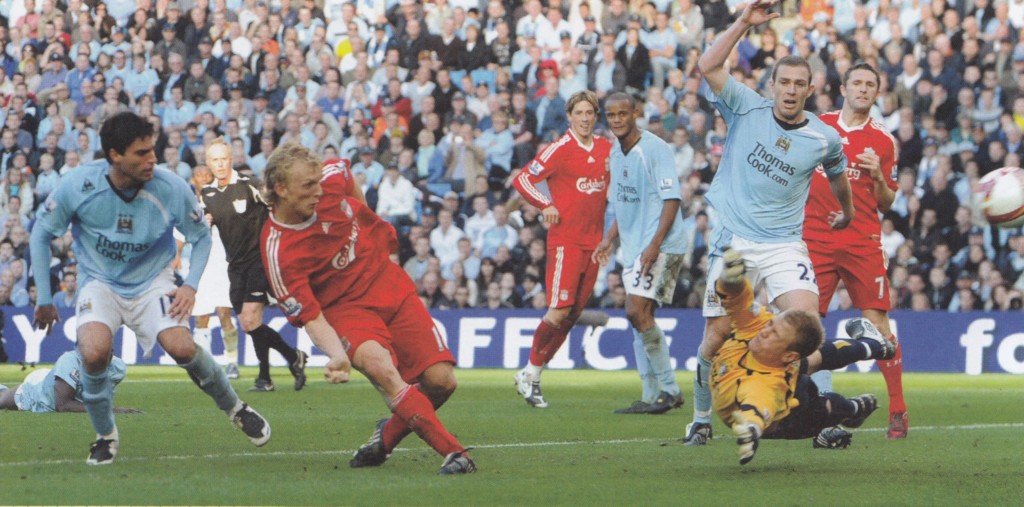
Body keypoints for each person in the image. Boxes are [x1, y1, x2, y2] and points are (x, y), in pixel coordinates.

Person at [29, 112, 270, 466]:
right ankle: (105, 435)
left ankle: (235, 407)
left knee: (183, 347)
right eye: (141, 153)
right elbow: (40, 234)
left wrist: (189, 285)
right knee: (94, 352)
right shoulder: (79, 185)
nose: (152, 159)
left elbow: (200, 237)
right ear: (114, 155)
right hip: (100, 283)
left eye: (152, 150)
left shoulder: (170, 187)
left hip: (152, 282)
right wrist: (46, 299)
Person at [684, 0, 855, 445]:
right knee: (715, 338)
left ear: (811, 88)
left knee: (807, 328)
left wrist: (849, 212)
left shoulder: (823, 137)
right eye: (785, 82)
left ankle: (823, 420)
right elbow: (708, 64)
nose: (792, 90)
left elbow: (838, 174)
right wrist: (743, 21)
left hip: (783, 244)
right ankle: (701, 420)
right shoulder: (746, 106)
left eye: (800, 83)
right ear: (772, 84)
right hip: (734, 242)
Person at [260, 144, 475, 475]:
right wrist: (338, 355)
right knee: (381, 368)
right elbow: (312, 316)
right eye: (308, 186)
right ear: (281, 189)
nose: (318, 192)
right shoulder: (278, 251)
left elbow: (346, 177)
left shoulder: (330, 179)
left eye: (318, 182)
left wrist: (366, 219)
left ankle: (384, 438)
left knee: (441, 381)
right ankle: (455, 453)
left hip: (387, 283)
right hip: (346, 310)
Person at [712, 248, 895, 464]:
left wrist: (750, 430)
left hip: (790, 418)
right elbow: (737, 299)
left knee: (823, 407)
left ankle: (852, 409)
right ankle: (872, 349)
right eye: (771, 324)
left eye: (774, 334)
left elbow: (757, 406)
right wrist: (730, 279)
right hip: (780, 385)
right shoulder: (756, 326)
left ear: (789, 355)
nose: (764, 331)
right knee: (814, 359)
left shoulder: (766, 384)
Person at [805, 62, 907, 440]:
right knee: (808, 327)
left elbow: (887, 203)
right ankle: (820, 410)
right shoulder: (817, 126)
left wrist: (878, 176)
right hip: (815, 239)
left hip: (862, 241)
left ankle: (897, 408)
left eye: (870, 85)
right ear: (843, 88)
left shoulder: (883, 140)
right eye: (857, 83)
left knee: (879, 328)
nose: (863, 90)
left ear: (877, 93)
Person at [510, 90, 612, 408]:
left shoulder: (608, 149)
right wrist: (545, 204)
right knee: (558, 311)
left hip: (594, 244)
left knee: (572, 315)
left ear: (596, 116)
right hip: (566, 242)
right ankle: (529, 373)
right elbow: (523, 179)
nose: (584, 118)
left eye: (589, 112)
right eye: (579, 113)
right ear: (569, 116)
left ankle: (532, 375)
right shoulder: (560, 149)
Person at [595, 92, 688, 415]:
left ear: (636, 112)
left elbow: (671, 198)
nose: (617, 120)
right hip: (635, 246)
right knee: (639, 318)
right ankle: (650, 395)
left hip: (662, 244)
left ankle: (671, 390)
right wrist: (609, 239)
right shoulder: (615, 152)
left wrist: (654, 246)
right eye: (611, 115)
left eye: (623, 113)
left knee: (636, 311)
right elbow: (624, 202)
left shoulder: (655, 148)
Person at [201, 138, 307, 392]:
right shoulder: (208, 193)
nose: (221, 164)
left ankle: (270, 373)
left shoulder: (249, 185)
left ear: (231, 159)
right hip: (234, 266)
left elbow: (277, 203)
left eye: (224, 159)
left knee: (250, 319)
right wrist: (207, 221)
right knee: (251, 323)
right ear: (209, 163)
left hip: (259, 260)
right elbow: (208, 222)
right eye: (215, 160)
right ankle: (286, 362)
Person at [186, 165, 240, 379]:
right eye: (200, 175)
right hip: (201, 267)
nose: (204, 179)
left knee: (224, 312)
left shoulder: (222, 203)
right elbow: (180, 236)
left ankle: (232, 362)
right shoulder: (189, 205)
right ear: (193, 180)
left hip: (222, 264)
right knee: (201, 318)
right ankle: (204, 366)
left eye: (208, 176)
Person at [0, 350, 140, 414]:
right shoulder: (69, 361)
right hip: (38, 393)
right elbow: (63, 405)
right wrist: (112, 410)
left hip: (59, 378)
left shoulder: (117, 368)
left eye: (109, 353)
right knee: (3, 398)